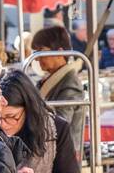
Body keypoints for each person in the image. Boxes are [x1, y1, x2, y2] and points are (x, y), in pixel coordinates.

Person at [30, 24, 87, 152]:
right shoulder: (48, 80)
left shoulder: (70, 83)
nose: (37, 58)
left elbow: (61, 121)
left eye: (41, 51)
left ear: (60, 52)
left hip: (63, 152)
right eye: (36, 52)